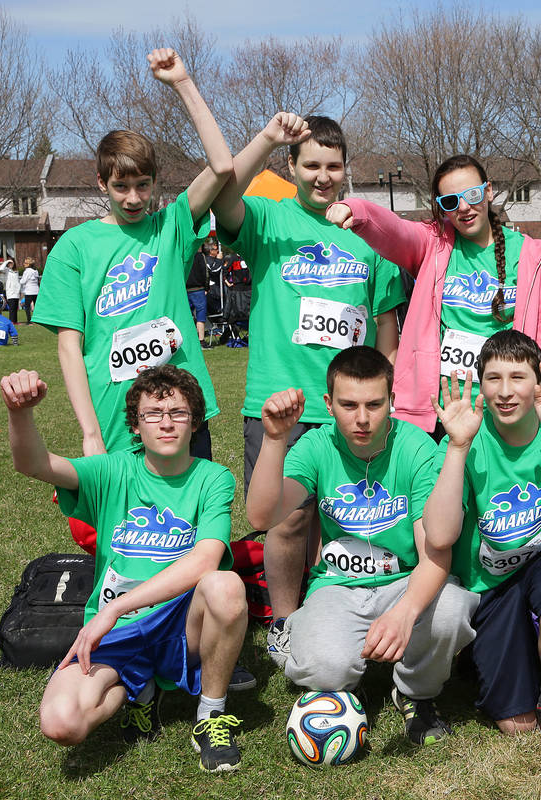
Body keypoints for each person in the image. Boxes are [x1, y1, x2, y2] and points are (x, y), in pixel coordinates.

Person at [212, 113, 406, 667]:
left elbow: (385, 323)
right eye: (312, 165)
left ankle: (335, 614)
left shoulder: (368, 232)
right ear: (292, 167)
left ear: (347, 170)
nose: (324, 177)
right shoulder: (268, 218)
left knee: (347, 516)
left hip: (352, 405)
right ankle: (284, 622)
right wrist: (268, 138)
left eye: (334, 166)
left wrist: (385, 392)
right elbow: (224, 194)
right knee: (287, 518)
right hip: (280, 402)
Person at [0, 365, 248, 773]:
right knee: (61, 723)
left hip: (179, 626)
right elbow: (35, 464)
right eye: (153, 414)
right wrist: (19, 411)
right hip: (116, 631)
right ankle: (139, 692)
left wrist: (116, 607)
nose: (166, 423)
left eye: (178, 413)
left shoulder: (212, 477)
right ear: (135, 424)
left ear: (195, 422)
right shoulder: (112, 469)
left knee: (225, 586)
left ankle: (211, 715)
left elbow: (205, 561)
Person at [246, 347, 479, 746]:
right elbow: (261, 517)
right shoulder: (317, 445)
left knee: (451, 610)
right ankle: (330, 663)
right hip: (337, 585)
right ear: (328, 404)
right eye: (348, 405)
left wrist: (405, 612)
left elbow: (436, 552)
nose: (362, 418)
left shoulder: (416, 447)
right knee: (325, 671)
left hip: (405, 581)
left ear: (391, 401)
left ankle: (415, 692)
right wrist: (273, 438)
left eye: (374, 404)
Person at [31, 48, 232, 459]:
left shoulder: (170, 228)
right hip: (116, 423)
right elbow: (70, 348)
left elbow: (222, 167)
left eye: (143, 185)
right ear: (101, 182)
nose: (134, 198)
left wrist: (181, 83)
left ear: (155, 181)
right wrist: (90, 434)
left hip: (183, 415)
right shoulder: (73, 247)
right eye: (121, 186)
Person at [424, 331, 541, 761]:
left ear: (538, 382)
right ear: (480, 384)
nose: (505, 392)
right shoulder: (465, 434)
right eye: (494, 378)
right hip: (490, 579)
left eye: (518, 377)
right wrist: (458, 447)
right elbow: (440, 535)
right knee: (516, 724)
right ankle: (487, 654)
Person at [326, 154, 541, 437]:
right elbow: (396, 230)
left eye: (472, 195)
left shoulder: (530, 254)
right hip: (439, 411)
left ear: (488, 191)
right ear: (441, 207)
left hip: (503, 408)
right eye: (450, 202)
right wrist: (356, 210)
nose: (464, 208)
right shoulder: (432, 244)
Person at [187, 245, 211, 347]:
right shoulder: (200, 256)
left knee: (186, 316)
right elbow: (205, 272)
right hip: (198, 289)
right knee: (201, 315)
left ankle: (188, 340)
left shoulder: (182, 255)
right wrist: (206, 287)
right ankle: (201, 340)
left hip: (184, 289)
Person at [0, 259, 22, 323]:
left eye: (11, 263)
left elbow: (17, 281)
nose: (10, 264)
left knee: (15, 307)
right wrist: (7, 261)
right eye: (9, 263)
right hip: (10, 291)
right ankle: (11, 321)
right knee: (12, 307)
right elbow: (1, 268)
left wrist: (19, 290)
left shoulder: (16, 272)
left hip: (16, 292)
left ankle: (15, 321)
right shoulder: (7, 270)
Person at [20, 257, 40, 323]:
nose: (24, 264)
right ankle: (37, 320)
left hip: (29, 291)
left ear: (28, 264)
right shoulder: (36, 271)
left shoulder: (27, 271)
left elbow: (23, 281)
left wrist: (19, 281)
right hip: (36, 290)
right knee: (36, 306)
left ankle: (29, 320)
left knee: (27, 306)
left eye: (25, 263)